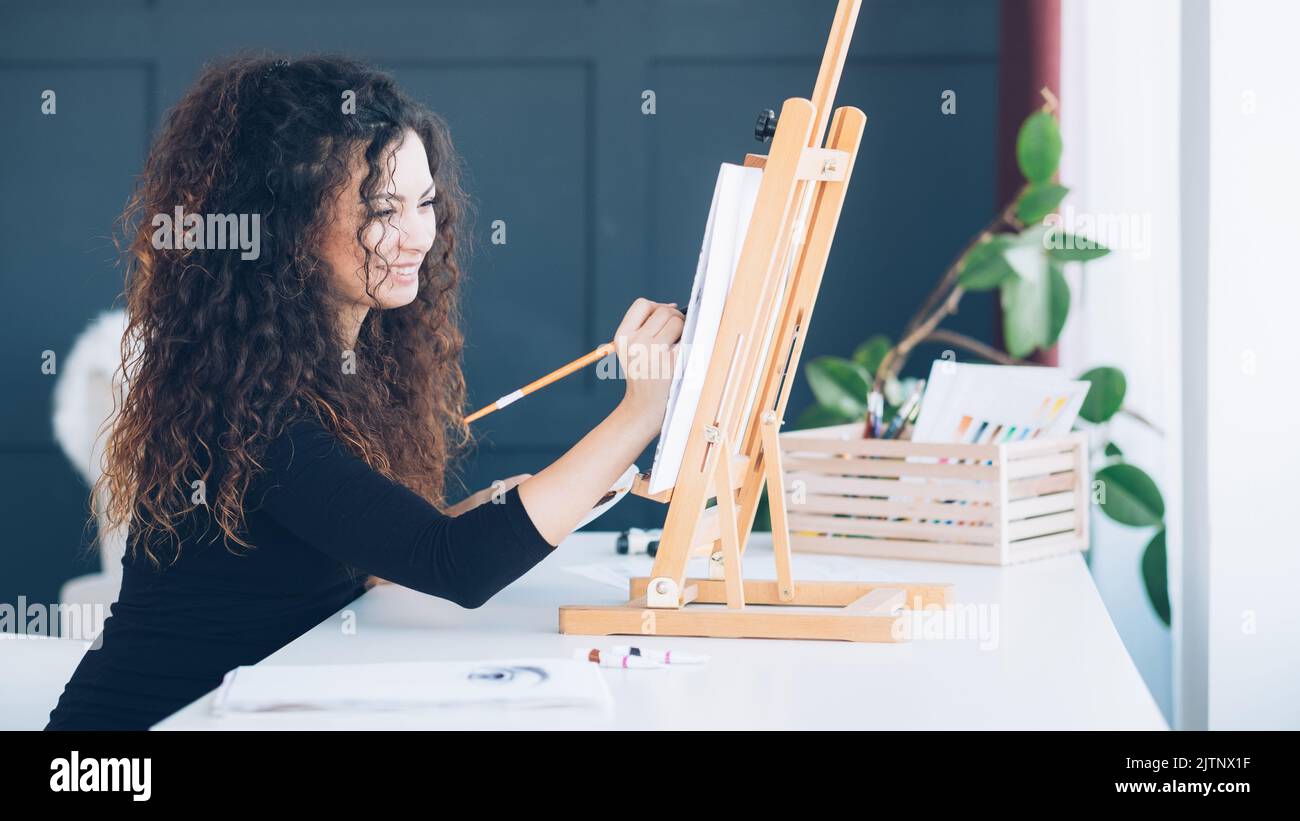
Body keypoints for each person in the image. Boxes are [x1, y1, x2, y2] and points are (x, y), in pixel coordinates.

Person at [45, 55, 683, 730]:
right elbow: (455, 564)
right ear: (289, 226)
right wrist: (639, 413)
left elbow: (381, 559)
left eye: (425, 202)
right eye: (382, 210)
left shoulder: (342, 365)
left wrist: (492, 508)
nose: (416, 236)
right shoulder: (250, 407)